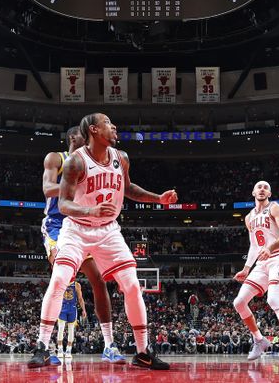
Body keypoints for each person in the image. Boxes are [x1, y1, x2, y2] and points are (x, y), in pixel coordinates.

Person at [28, 113, 173, 369]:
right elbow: (62, 203)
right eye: (108, 123)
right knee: (60, 278)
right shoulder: (75, 162)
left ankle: (142, 352)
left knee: (131, 285)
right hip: (77, 228)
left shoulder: (122, 158)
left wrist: (158, 198)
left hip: (108, 230)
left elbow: (128, 189)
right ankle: (41, 347)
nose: (114, 126)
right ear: (94, 130)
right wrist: (89, 211)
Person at [42, 127, 124, 363]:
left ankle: (109, 344)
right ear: (72, 138)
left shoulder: (90, 163)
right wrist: (76, 183)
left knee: (98, 280)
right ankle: (46, 347)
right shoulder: (56, 158)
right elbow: (48, 189)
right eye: (83, 136)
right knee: (61, 277)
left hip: (82, 224)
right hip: (57, 224)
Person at [232, 181, 279, 364]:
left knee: (273, 299)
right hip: (262, 262)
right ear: (253, 192)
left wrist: (270, 248)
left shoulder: (275, 208)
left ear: (269, 192)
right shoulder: (248, 218)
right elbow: (254, 246)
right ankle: (259, 339)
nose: (262, 189)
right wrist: (246, 268)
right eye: (259, 187)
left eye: (265, 187)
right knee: (239, 302)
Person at [56, 280, 87, 359]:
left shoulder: (76, 285)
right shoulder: (61, 282)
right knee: (61, 328)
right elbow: (56, 296)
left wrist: (84, 309)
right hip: (62, 307)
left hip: (72, 308)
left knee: (71, 329)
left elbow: (80, 298)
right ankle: (60, 349)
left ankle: (68, 350)